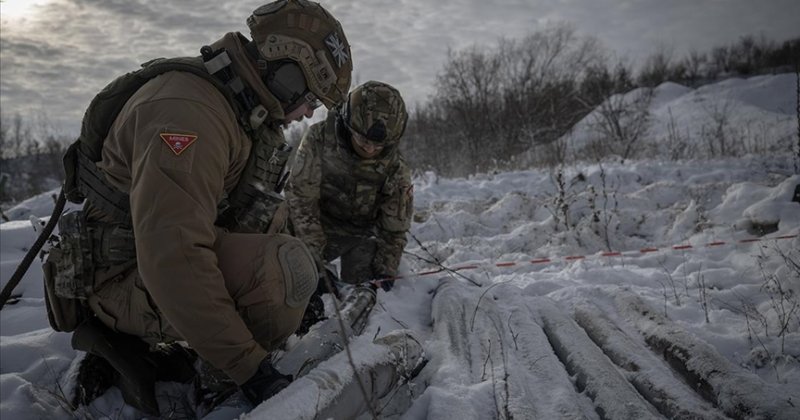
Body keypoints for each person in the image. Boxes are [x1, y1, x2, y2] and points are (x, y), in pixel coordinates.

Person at [43, 0, 353, 415]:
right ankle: (211, 380)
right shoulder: (191, 113)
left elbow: (257, 213)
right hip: (119, 278)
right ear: (287, 74)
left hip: (148, 264)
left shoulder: (237, 109)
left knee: (295, 263)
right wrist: (252, 369)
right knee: (283, 272)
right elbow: (174, 254)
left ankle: (207, 346)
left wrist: (315, 275)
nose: (307, 113)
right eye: (310, 99)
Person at [285, 81, 413, 298]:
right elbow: (300, 199)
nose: (370, 149)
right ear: (349, 124)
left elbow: (394, 230)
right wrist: (315, 264)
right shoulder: (319, 138)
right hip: (314, 225)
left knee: (365, 291)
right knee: (293, 271)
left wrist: (385, 271)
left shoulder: (396, 168)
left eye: (378, 145)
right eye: (363, 140)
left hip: (360, 235)